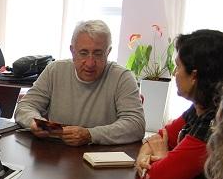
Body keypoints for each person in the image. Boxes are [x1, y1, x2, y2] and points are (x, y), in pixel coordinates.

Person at [135, 30, 223, 179]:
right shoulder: (201, 107)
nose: (174, 73)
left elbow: (157, 176)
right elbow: (157, 138)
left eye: (178, 67)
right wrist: (145, 157)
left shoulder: (216, 123)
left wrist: (161, 158)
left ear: (194, 75)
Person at [14, 19, 145, 146]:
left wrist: (90, 135)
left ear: (108, 52)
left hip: (102, 158)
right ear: (72, 51)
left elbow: (136, 125)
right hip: (56, 156)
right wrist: (35, 123)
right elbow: (24, 107)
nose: (90, 63)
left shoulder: (122, 77)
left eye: (98, 54)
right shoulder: (55, 70)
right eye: (83, 53)